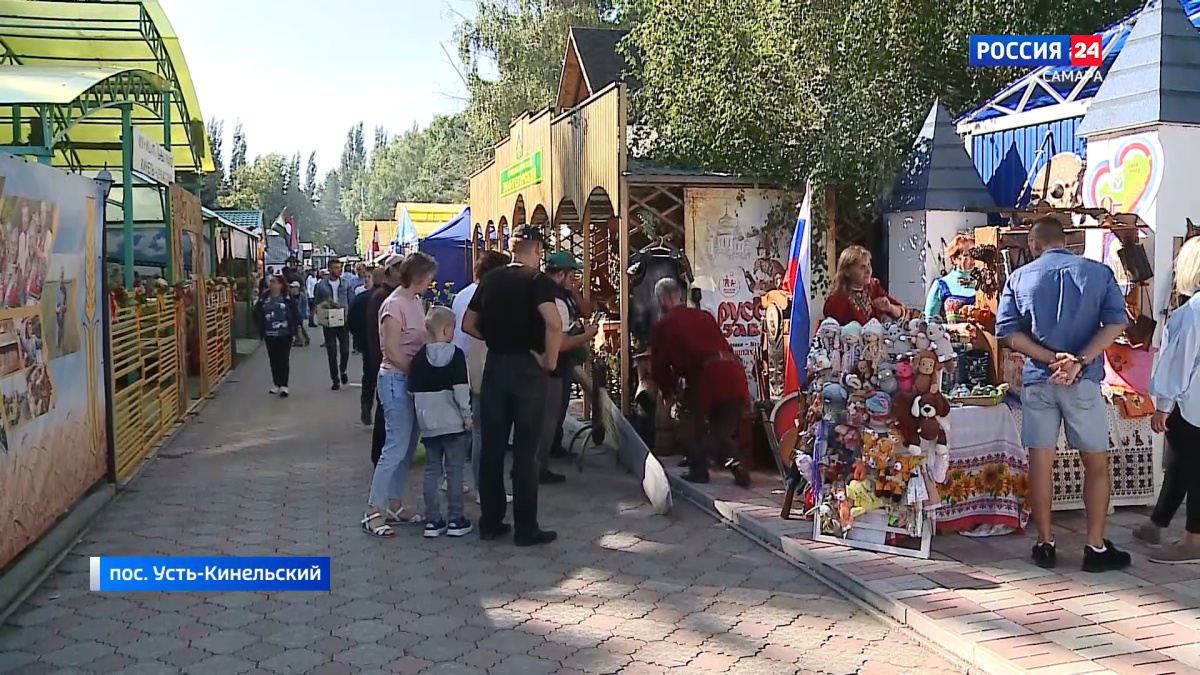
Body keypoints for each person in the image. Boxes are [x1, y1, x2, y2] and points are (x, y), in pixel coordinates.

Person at [996, 217, 1129, 572]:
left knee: (1041, 464)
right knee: (1096, 465)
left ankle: (1045, 542)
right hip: (1082, 380)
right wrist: (1079, 360)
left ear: (1034, 244)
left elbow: (1008, 333)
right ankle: (1095, 546)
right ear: (1066, 241)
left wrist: (1049, 358)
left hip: (1040, 379)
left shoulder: (1019, 278)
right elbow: (1116, 322)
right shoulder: (1097, 273)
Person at [463, 225, 562, 546]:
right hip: (528, 370)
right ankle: (526, 527)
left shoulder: (491, 279)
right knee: (525, 451)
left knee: (492, 448)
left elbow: (467, 323)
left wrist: (492, 338)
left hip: (496, 367)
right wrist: (549, 358)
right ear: (536, 249)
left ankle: (490, 522)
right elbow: (554, 321)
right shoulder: (538, 281)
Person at [361, 252, 438, 537]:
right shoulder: (393, 305)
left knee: (406, 447)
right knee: (394, 447)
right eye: (429, 275)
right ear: (418, 276)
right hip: (395, 381)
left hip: (409, 381)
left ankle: (393, 503)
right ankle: (373, 510)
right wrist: (416, 373)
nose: (432, 280)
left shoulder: (415, 302)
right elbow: (390, 351)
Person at [650, 278, 751, 487]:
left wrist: (667, 391)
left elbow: (659, 364)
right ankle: (737, 465)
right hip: (732, 371)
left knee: (685, 420)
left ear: (664, 299)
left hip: (707, 375)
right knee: (722, 427)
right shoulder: (704, 315)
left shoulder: (665, 324)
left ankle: (698, 469)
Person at [1136, 238, 1200, 562]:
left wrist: (1163, 405)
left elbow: (1177, 364)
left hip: (1191, 405)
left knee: (1192, 467)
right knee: (1181, 463)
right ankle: (1158, 520)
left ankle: (1193, 538)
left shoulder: (1191, 313)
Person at [451, 250, 512, 499]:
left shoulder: (462, 294)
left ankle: (461, 482)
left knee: (470, 432)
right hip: (479, 368)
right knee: (482, 434)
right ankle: (482, 488)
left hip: (463, 366)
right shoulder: (484, 295)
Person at [409, 306, 473, 539]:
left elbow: (412, 392)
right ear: (446, 329)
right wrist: (468, 418)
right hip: (453, 424)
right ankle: (455, 519)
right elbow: (461, 392)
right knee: (454, 472)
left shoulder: (418, 358)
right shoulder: (456, 356)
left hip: (429, 425)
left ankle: (433, 520)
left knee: (431, 471)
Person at [537, 251, 599, 483]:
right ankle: (539, 465)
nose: (575, 278)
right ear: (561, 274)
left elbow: (586, 311)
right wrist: (587, 336)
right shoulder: (554, 300)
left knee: (557, 411)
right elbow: (560, 343)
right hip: (554, 362)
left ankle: (550, 449)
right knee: (548, 415)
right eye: (571, 274)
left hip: (560, 363)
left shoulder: (565, 295)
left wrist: (573, 289)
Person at [822, 245, 906, 325]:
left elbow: (902, 312)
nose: (868, 271)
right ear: (847, 272)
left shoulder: (874, 288)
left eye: (869, 265)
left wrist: (889, 308)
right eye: (862, 267)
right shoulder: (836, 300)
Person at [368, 257, 402, 453]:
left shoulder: (385, 296)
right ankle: (380, 452)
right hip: (385, 360)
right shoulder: (384, 298)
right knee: (385, 408)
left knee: (386, 408)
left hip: (383, 359)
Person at [254, 276, 302, 397]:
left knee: (284, 359)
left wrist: (297, 329)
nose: (271, 285)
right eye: (270, 282)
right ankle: (277, 383)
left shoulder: (286, 297)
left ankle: (284, 385)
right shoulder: (264, 297)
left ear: (280, 285)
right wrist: (260, 326)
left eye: (274, 282)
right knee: (273, 359)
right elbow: (257, 312)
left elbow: (295, 313)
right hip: (269, 334)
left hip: (284, 333)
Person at [313, 260, 353, 390]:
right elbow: (317, 301)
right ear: (330, 269)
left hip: (343, 319)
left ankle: (343, 370)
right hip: (329, 320)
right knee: (331, 351)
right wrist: (318, 314)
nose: (339, 270)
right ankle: (335, 379)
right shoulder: (322, 285)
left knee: (345, 349)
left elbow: (351, 301)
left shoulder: (346, 284)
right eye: (336, 268)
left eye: (340, 268)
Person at [925, 234, 978, 322]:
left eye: (974, 254)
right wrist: (954, 328)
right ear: (954, 259)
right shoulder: (941, 285)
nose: (972, 259)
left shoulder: (983, 285)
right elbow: (928, 323)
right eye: (966, 255)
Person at [348, 270, 376, 359]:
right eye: (365, 277)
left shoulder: (377, 292)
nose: (366, 279)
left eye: (369, 277)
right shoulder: (358, 290)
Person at [288, 281, 311, 347]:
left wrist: (304, 314)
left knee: (299, 327)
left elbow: (304, 305)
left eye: (293, 287)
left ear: (297, 288)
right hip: (293, 314)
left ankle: (302, 339)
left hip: (300, 313)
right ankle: (301, 339)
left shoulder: (302, 296)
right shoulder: (290, 296)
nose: (292, 289)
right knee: (298, 327)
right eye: (291, 287)